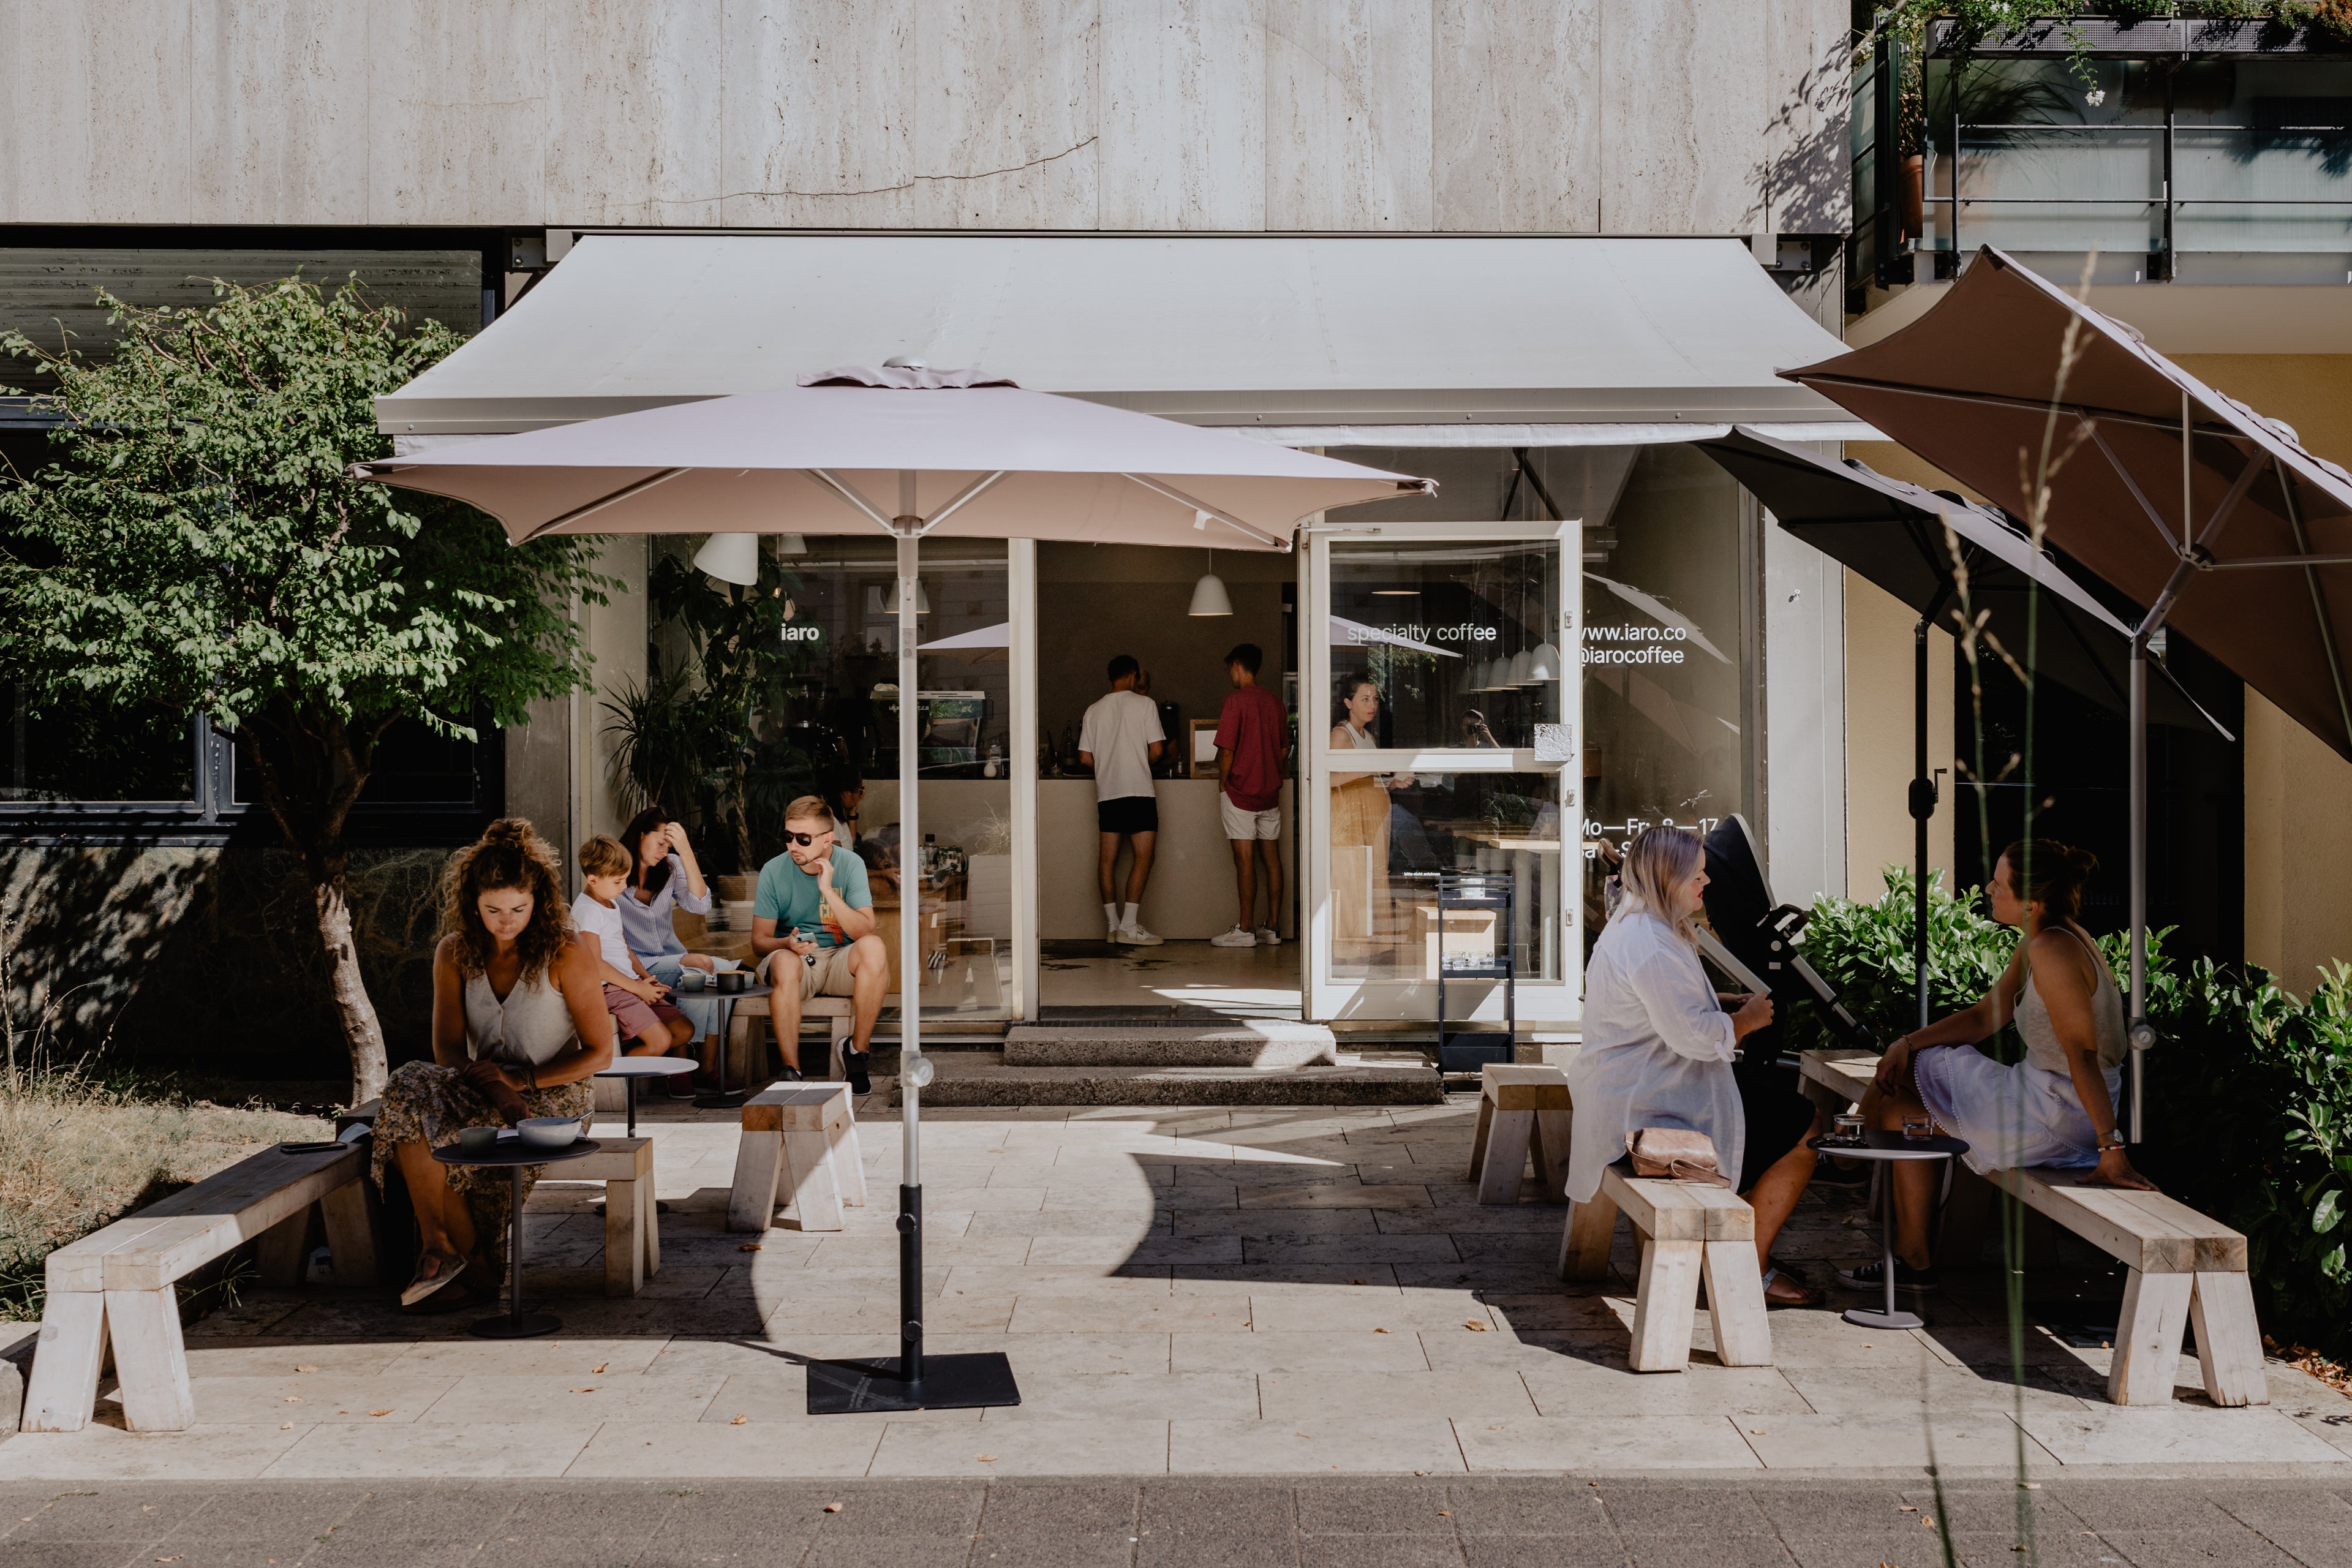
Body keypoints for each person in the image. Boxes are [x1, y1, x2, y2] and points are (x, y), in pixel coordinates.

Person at [1844, 840, 2154, 1296]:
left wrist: (2112, 1150)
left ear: (2030, 901)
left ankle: (1842, 1155)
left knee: (1917, 1070)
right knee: (1901, 1109)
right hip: (2044, 1096)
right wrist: (1903, 1042)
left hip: (2059, 1112)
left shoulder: (2053, 948)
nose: (1988, 888)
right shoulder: (2043, 938)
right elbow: (1985, 1016)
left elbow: (2082, 1055)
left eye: (1998, 882)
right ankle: (1914, 1259)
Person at [1564, 826, 1823, 1307]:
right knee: (1805, 1125)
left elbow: (1657, 1009)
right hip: (1650, 1107)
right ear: (1667, 877)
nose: (1706, 881)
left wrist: (1719, 1001)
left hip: (1632, 1088)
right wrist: (1745, 1021)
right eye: (1697, 874)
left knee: (1778, 1107)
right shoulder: (1653, 943)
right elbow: (1694, 1037)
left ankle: (1736, 1245)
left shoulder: (1637, 922)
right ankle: (1751, 1266)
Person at [374, 818, 616, 1310]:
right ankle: (438, 1242)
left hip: (554, 1093)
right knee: (407, 1086)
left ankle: (475, 1270)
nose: (506, 921)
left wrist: (519, 1082)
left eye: (518, 909)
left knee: (448, 1131)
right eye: (493, 910)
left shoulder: (564, 953)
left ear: (539, 902)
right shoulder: (455, 953)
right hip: (480, 1084)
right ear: (473, 904)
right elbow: (445, 1050)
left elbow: (600, 1053)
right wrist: (489, 1082)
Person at [751, 796, 888, 1093]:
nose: (793, 846)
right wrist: (786, 943)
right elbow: (759, 943)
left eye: (803, 839)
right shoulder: (774, 871)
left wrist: (827, 890)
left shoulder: (851, 864)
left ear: (827, 839)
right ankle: (791, 1069)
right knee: (783, 961)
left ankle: (857, 1054)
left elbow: (864, 929)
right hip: (799, 961)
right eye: (788, 837)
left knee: (875, 947)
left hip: (841, 958)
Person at [616, 807, 741, 1093]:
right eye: (660, 843)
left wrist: (685, 852)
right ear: (640, 836)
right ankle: (681, 1068)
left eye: (669, 845)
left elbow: (700, 905)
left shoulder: (670, 865)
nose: (664, 850)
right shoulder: (616, 870)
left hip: (669, 959)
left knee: (724, 971)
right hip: (636, 966)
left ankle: (706, 1070)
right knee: (701, 964)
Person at [573, 834, 695, 1059]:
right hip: (608, 989)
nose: (624, 887)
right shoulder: (587, 910)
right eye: (618, 881)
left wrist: (644, 977)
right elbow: (594, 965)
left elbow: (624, 947)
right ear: (592, 880)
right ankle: (618, 1083)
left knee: (684, 1030)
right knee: (660, 1040)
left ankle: (630, 1055)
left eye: (626, 879)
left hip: (630, 983)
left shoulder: (610, 902)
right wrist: (637, 989)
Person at [1077, 653, 1166, 946]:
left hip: (1108, 794)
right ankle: (1129, 925)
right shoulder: (1146, 705)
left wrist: (1108, 767)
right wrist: (1137, 761)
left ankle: (1113, 926)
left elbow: (1084, 758)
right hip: (1139, 791)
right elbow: (1157, 751)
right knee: (1144, 857)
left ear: (1110, 677)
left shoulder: (1093, 710)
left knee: (1107, 860)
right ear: (1132, 676)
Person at [1327, 676, 1412, 965]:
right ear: (1348, 703)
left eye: (1375, 699)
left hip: (1372, 820)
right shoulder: (1341, 735)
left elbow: (1368, 781)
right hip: (1350, 823)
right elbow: (1331, 778)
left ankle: (1365, 949)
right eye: (1364, 698)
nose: (1372, 704)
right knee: (1351, 880)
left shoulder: (1368, 737)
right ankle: (1348, 952)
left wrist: (1392, 783)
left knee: (1370, 881)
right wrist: (1373, 768)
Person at [1211, 643, 1290, 949]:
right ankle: (1273, 926)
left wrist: (1222, 783)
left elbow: (1227, 750)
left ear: (1237, 666)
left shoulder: (1235, 701)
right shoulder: (1275, 703)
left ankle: (1245, 929)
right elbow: (1284, 749)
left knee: (1244, 859)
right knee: (1271, 858)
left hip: (1241, 793)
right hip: (1269, 794)